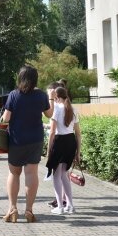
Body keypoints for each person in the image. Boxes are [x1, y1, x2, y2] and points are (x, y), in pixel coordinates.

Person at [1, 65, 55, 223]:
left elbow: (5, 119)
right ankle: (29, 210)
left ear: (20, 78)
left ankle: (13, 208)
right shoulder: (40, 96)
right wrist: (50, 97)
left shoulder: (13, 95)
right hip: (35, 139)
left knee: (14, 173)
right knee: (31, 174)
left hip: (17, 140)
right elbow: (49, 114)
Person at [46, 86, 81, 215]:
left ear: (56, 97)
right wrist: (78, 152)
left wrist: (49, 149)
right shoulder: (73, 109)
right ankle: (70, 205)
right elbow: (78, 133)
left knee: (56, 175)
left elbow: (52, 132)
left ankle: (60, 206)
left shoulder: (56, 109)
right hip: (71, 142)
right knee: (65, 175)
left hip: (60, 141)